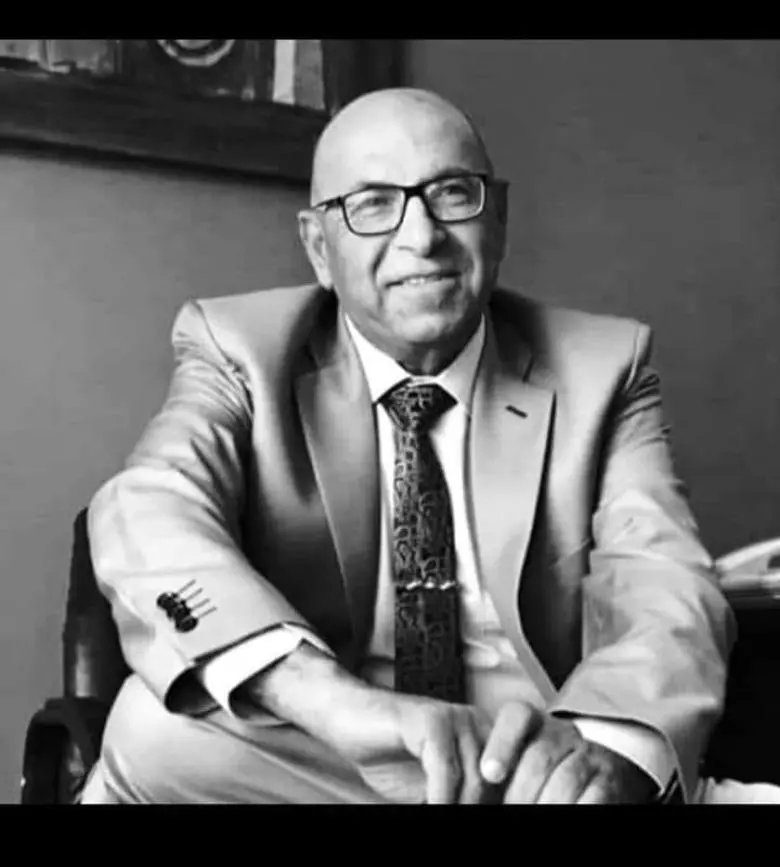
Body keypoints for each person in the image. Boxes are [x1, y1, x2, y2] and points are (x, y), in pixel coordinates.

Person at [78, 86, 770, 805]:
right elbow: (147, 508)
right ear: (318, 247)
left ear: (497, 219)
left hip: (525, 753)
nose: (422, 236)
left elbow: (662, 583)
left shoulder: (603, 368)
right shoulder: (239, 351)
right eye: (373, 203)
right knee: (153, 731)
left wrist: (604, 757)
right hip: (330, 750)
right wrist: (334, 702)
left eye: (452, 193)